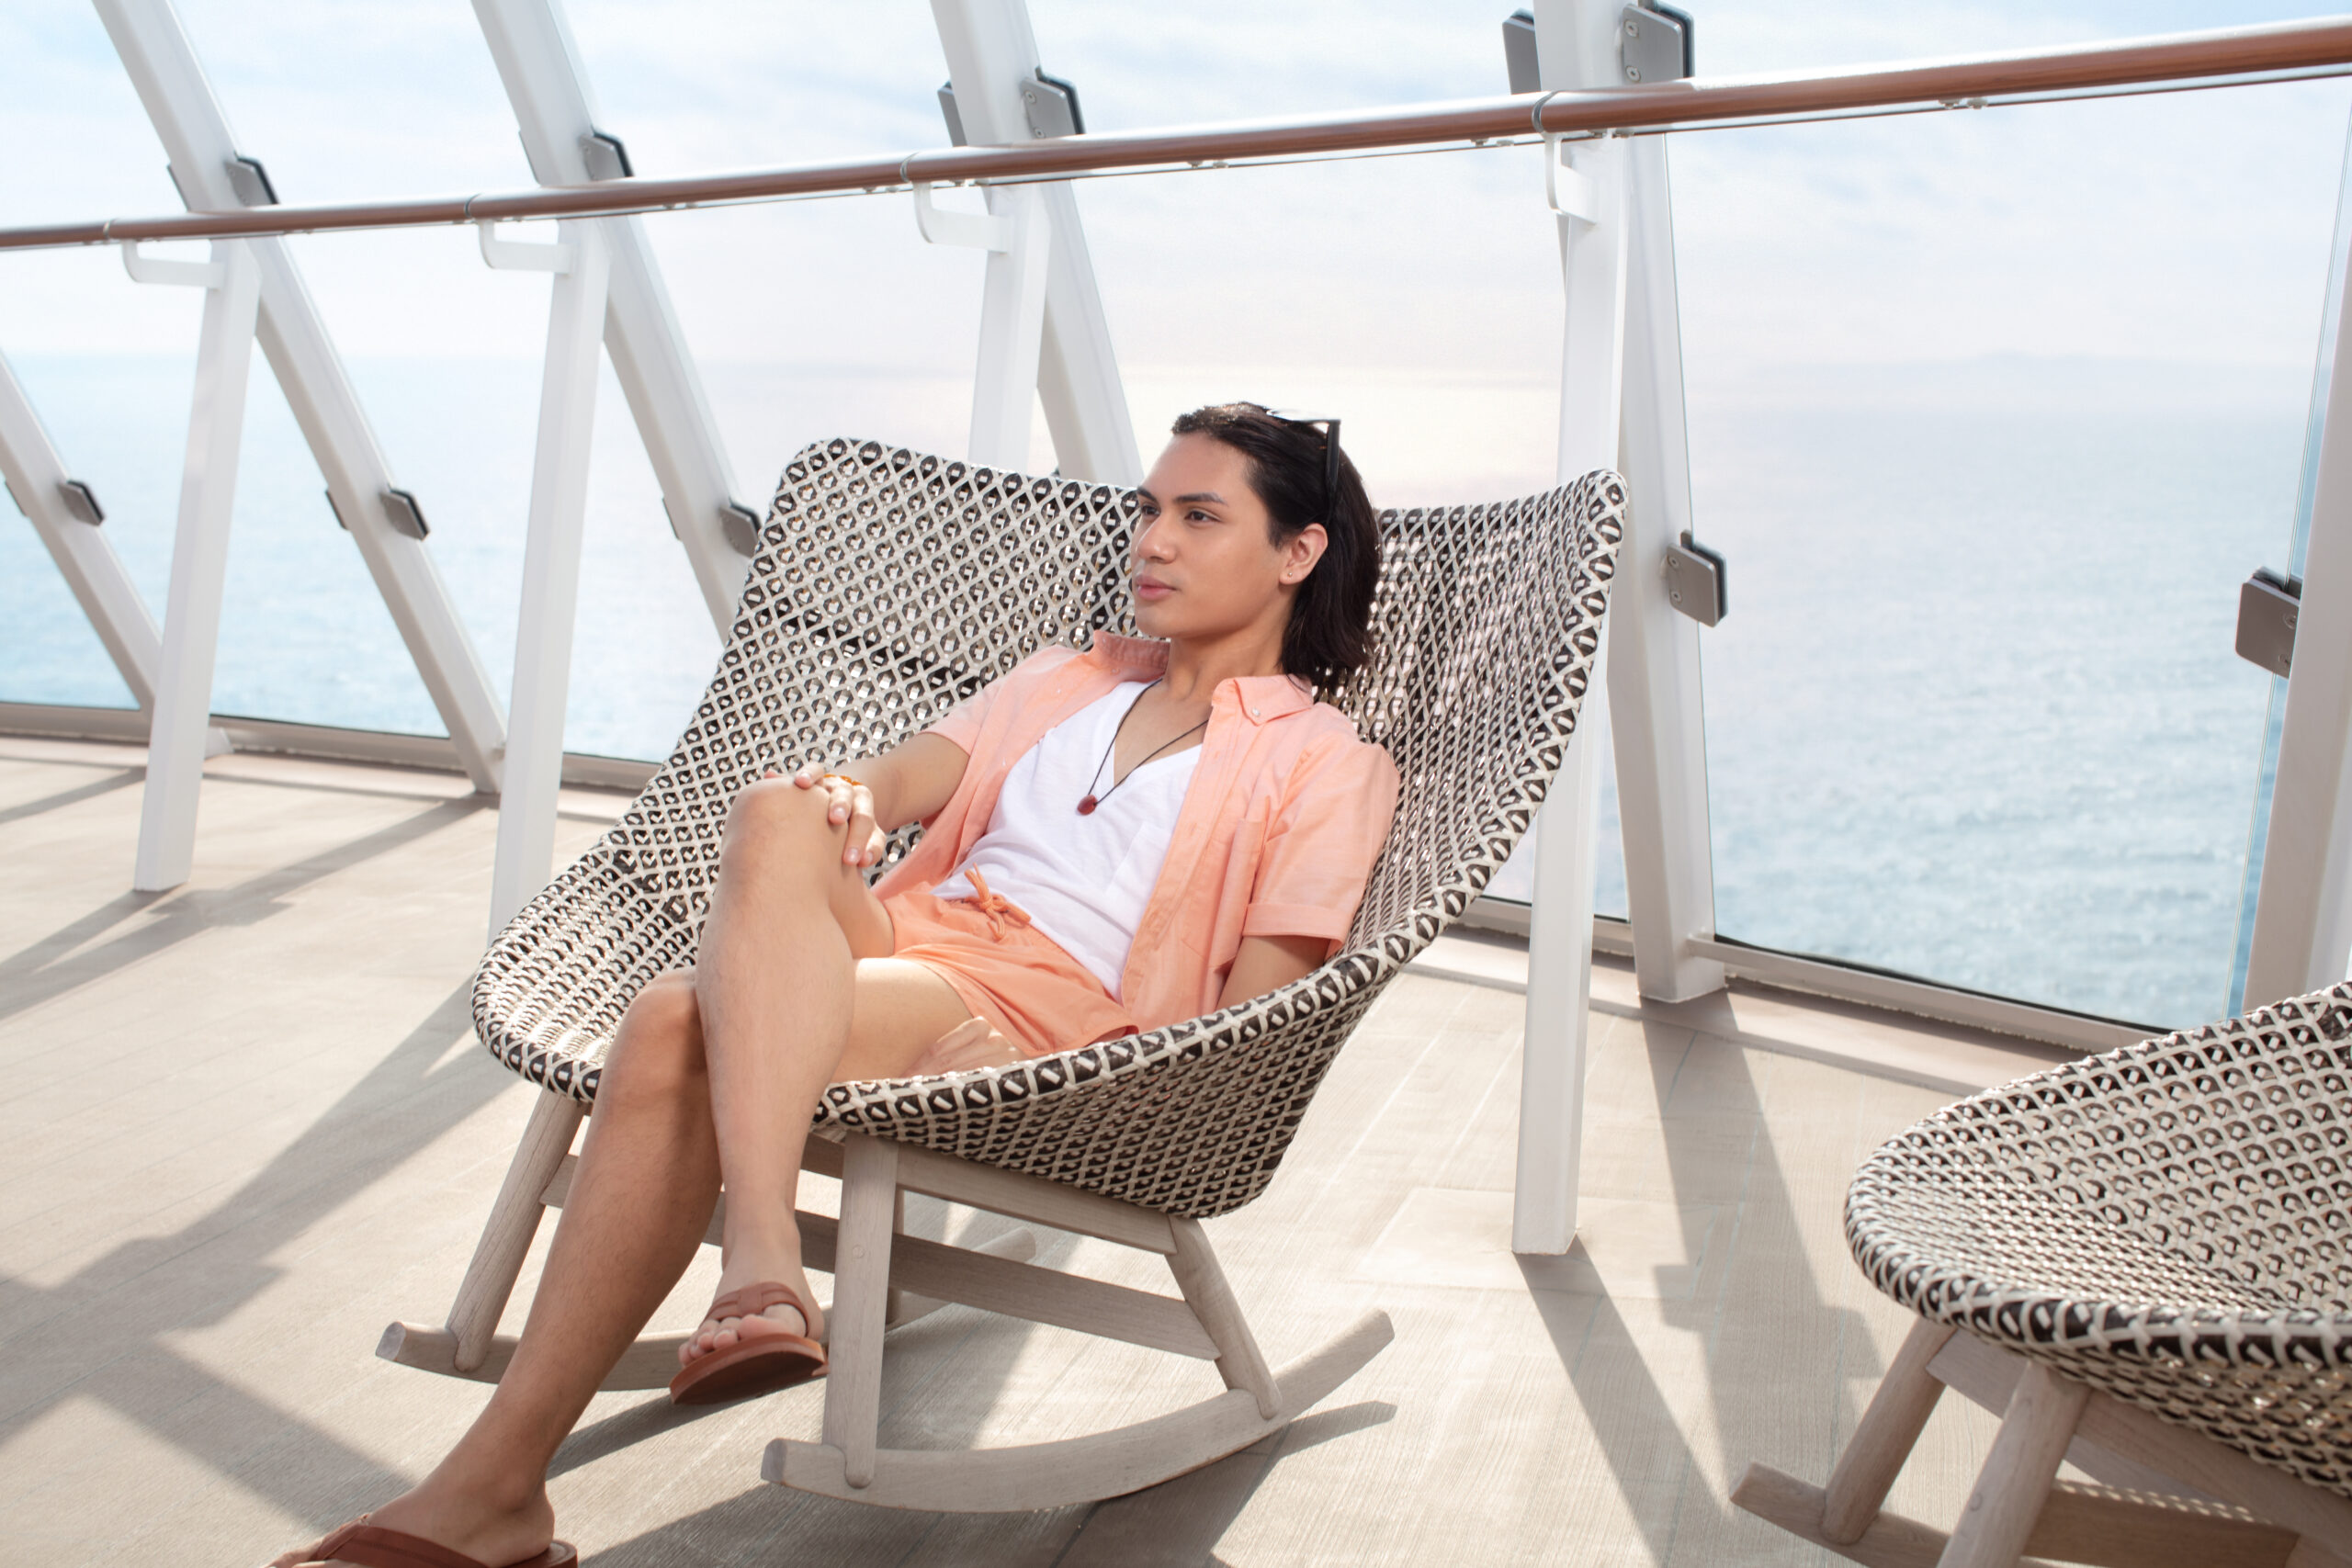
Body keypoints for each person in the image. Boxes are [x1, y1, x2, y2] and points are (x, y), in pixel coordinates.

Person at [273, 403, 1401, 1568]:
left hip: (1049, 1014)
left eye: (1198, 517)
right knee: (780, 805)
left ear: (1296, 552)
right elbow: (898, 777)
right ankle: (754, 1265)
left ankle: (512, 1473)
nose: (1151, 543)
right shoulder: (1064, 680)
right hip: (908, 939)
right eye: (1148, 511)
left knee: (670, 1021)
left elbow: (1257, 1017)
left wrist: (1072, 1082)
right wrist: (848, 796)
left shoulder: (1328, 763)